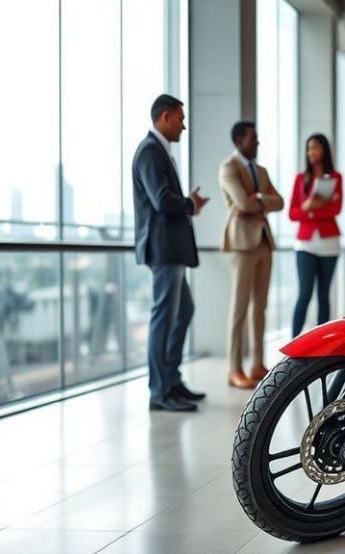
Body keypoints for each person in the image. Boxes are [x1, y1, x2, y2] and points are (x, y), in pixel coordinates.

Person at [132, 94, 208, 412]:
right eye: (180, 118)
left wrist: (188, 203)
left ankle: (171, 381)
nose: (184, 125)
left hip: (171, 248)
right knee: (163, 317)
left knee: (183, 310)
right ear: (165, 117)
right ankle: (159, 391)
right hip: (163, 248)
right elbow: (162, 200)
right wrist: (189, 204)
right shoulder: (150, 151)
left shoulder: (159, 151)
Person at [219, 121, 284, 389]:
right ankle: (234, 369)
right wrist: (260, 198)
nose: (257, 142)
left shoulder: (261, 170)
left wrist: (257, 197)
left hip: (264, 242)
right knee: (239, 307)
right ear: (238, 141)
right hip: (241, 243)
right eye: (252, 138)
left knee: (261, 306)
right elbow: (243, 204)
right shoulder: (228, 168)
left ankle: (257, 364)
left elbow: (279, 201)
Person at [289, 134, 342, 336]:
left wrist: (310, 210)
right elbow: (292, 213)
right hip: (305, 245)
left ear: (324, 150)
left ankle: (322, 346)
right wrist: (311, 208)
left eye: (316, 148)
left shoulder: (336, 177)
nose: (311, 152)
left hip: (329, 243)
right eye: (309, 148)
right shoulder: (300, 179)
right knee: (304, 293)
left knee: (323, 295)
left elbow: (335, 209)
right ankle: (292, 344)